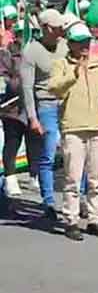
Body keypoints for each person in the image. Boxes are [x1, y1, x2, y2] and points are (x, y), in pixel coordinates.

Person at [48, 23, 98, 241]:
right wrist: (73, 73)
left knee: (97, 178)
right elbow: (54, 89)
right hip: (74, 127)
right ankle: (71, 220)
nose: (84, 46)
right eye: (80, 42)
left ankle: (95, 219)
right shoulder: (61, 64)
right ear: (70, 43)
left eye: (87, 41)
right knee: (73, 178)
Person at [21, 9, 68, 218]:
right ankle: (48, 201)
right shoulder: (31, 51)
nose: (61, 31)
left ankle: (79, 198)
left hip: (67, 105)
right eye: (57, 27)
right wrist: (33, 118)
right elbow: (27, 88)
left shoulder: (65, 47)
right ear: (46, 28)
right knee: (48, 156)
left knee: (74, 153)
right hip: (46, 106)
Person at [0, 32, 39, 200]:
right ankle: (10, 177)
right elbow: (4, 78)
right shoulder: (7, 54)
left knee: (34, 142)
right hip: (12, 109)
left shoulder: (39, 53)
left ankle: (34, 175)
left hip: (33, 107)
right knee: (12, 142)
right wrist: (15, 83)